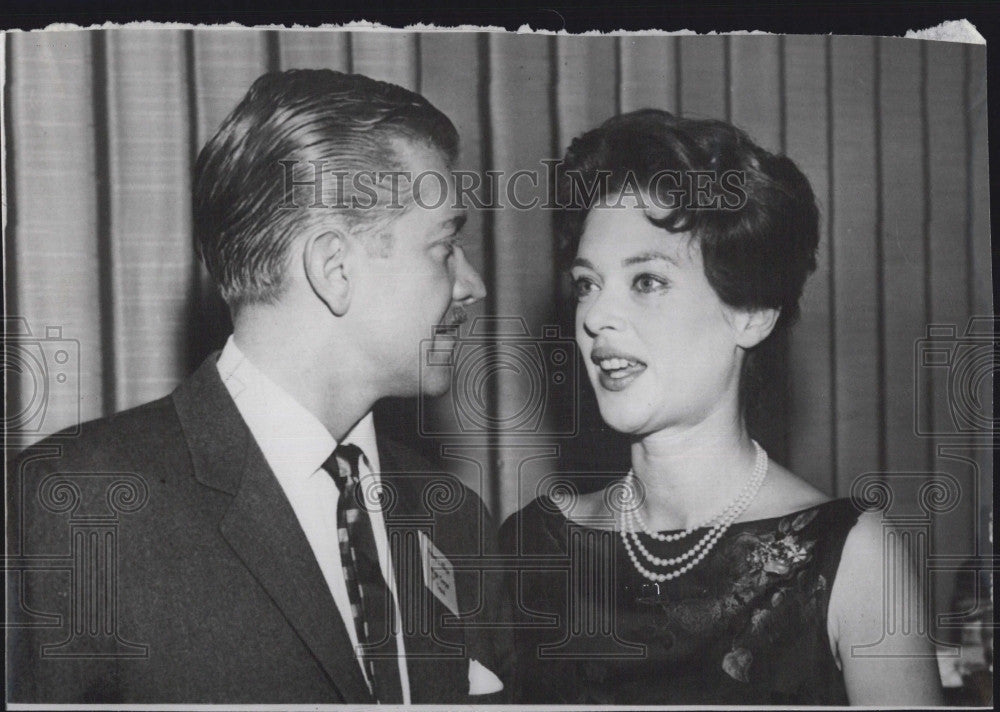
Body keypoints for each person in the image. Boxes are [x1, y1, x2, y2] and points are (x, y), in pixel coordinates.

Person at [8, 69, 507, 703]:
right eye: (445, 248)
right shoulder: (79, 503)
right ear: (334, 269)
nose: (472, 285)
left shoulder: (456, 520)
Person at [499, 109, 944, 705]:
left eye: (647, 281)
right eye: (587, 282)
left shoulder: (851, 558)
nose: (595, 316)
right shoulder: (530, 548)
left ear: (752, 312)